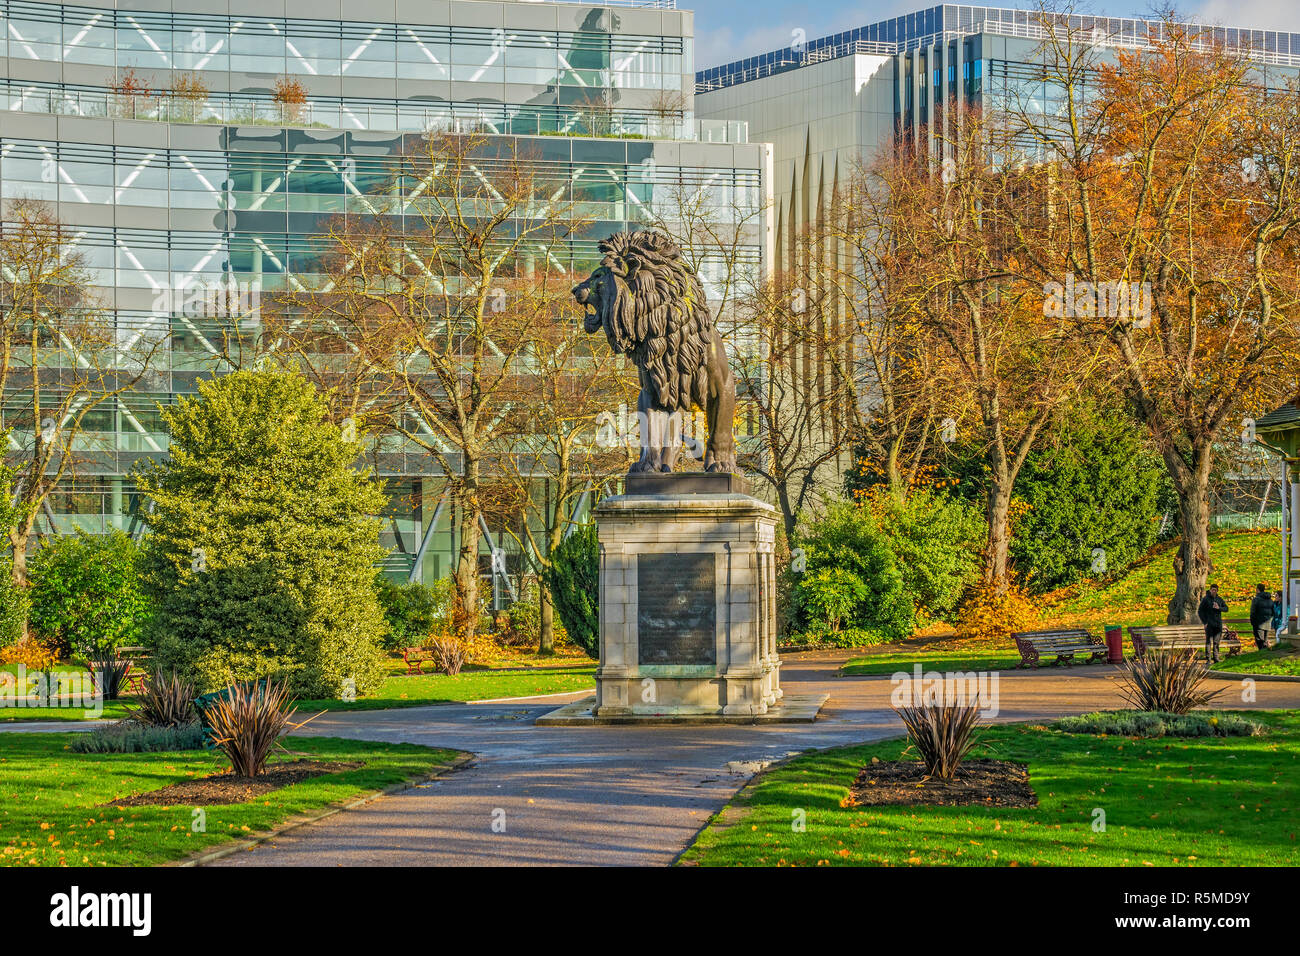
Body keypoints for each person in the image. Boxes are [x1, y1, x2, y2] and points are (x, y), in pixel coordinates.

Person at [1198, 584, 1228, 662]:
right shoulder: (1206, 599)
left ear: (1217, 591)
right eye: (1212, 590)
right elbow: (1200, 611)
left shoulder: (1219, 599)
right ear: (1210, 590)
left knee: (1216, 642)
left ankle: (1216, 658)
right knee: (1208, 642)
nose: (1214, 591)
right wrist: (1205, 622)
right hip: (1209, 624)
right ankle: (1208, 659)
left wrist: (1219, 608)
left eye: (1215, 590)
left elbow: (1226, 608)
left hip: (1218, 624)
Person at [1249, 583, 1275, 650]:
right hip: (1267, 623)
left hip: (1258, 623)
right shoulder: (1270, 600)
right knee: (1265, 641)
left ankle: (1261, 654)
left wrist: (1252, 622)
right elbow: (1273, 612)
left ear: (1257, 590)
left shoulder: (1256, 599)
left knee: (1259, 641)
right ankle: (1265, 653)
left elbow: (1253, 612)